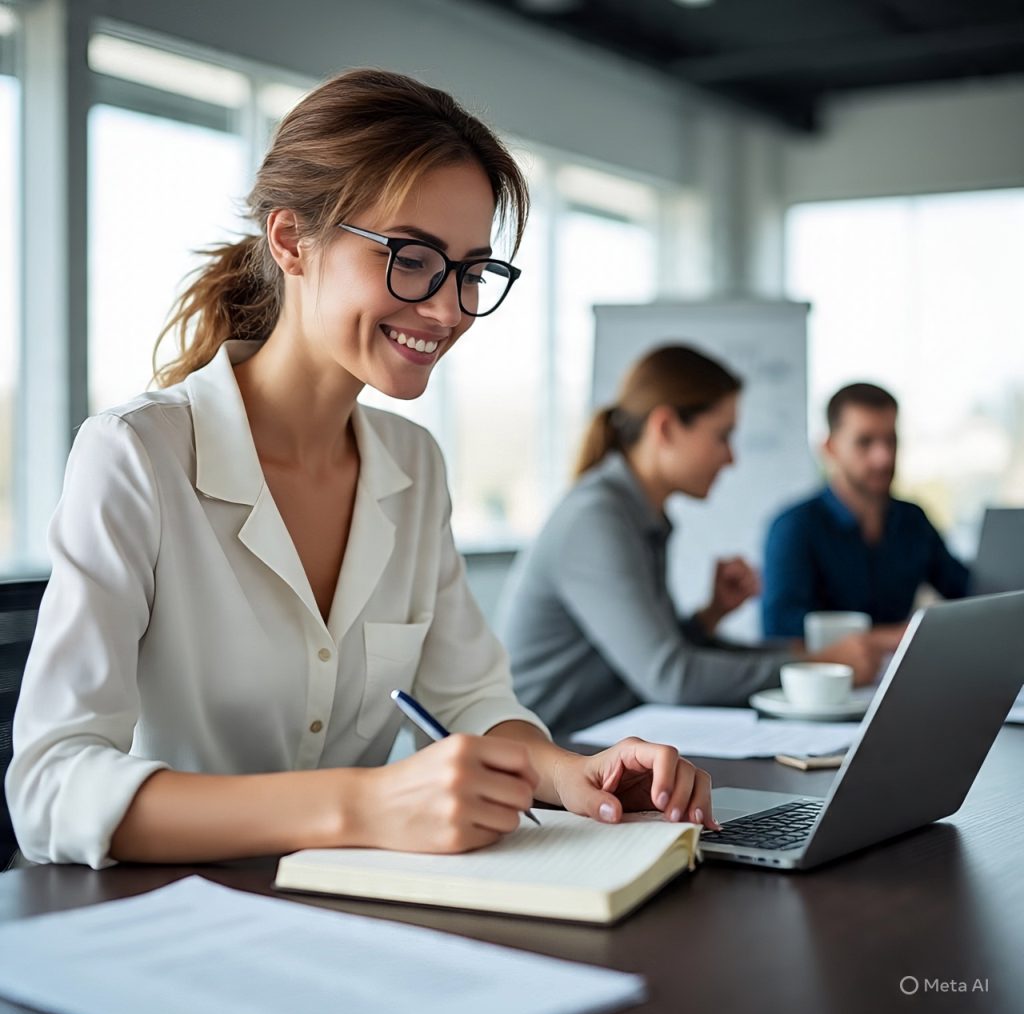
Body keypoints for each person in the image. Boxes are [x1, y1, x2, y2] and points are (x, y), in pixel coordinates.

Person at [6, 69, 717, 869]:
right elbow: (50, 786)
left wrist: (568, 773)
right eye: (413, 258)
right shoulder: (138, 454)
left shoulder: (413, 464)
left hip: (349, 909)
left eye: (472, 271)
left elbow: (470, 698)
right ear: (289, 240)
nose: (448, 309)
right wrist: (365, 803)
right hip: (162, 924)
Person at [498, 345, 881, 736]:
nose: (730, 458)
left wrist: (710, 619)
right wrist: (812, 667)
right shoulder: (596, 519)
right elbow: (671, 678)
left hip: (603, 740)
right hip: (551, 756)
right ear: (664, 427)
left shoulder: (639, 514)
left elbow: (663, 655)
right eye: (722, 436)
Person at [761, 382, 970, 640]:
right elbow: (780, 632)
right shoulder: (794, 527)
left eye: (890, 440)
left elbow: (967, 590)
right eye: (865, 442)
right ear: (830, 448)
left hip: (903, 675)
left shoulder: (912, 520)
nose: (883, 457)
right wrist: (893, 638)